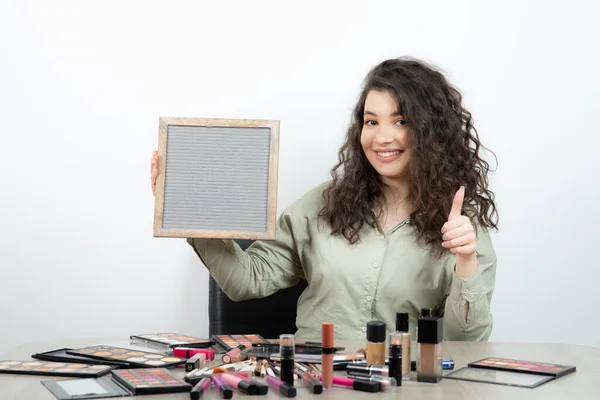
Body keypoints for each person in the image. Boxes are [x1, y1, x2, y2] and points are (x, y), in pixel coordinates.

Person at [150, 56, 498, 341]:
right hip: (314, 381)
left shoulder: (461, 228)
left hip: (401, 387)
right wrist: (184, 202)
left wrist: (465, 261)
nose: (382, 137)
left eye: (401, 121)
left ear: (430, 131)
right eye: (371, 121)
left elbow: (466, 341)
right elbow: (246, 279)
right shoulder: (322, 205)